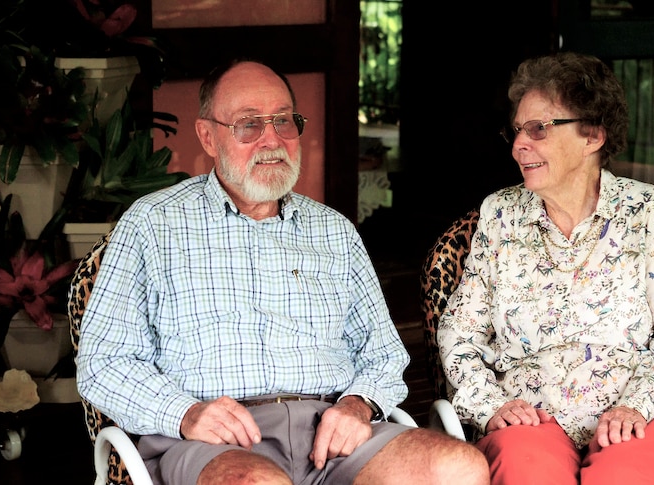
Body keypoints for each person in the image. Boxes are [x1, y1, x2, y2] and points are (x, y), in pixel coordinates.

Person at [76, 58, 489, 485]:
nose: (271, 139)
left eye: (283, 121)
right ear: (208, 136)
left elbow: (383, 353)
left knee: (460, 467)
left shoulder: (334, 231)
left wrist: (357, 406)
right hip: (214, 442)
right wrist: (186, 413)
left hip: (333, 433)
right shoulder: (152, 223)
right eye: (248, 125)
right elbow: (103, 362)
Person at [437, 51, 654, 484]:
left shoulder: (649, 213)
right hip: (532, 419)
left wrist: (637, 406)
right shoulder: (501, 215)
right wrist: (490, 403)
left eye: (539, 129)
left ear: (593, 136)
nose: (518, 145)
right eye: (516, 131)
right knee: (527, 471)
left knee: (622, 476)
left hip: (642, 414)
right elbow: (459, 332)